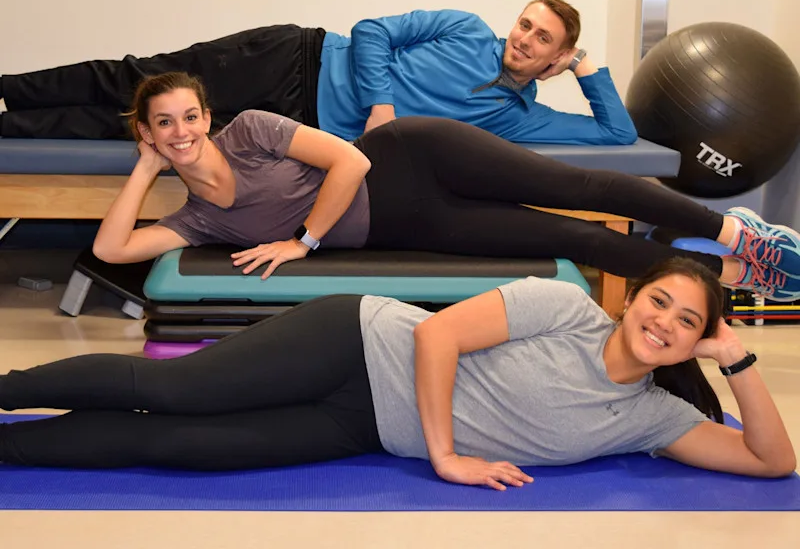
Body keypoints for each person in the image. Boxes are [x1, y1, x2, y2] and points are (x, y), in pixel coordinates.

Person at [0, 258, 795, 485]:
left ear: (700, 340)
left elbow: (773, 462)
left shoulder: (653, 417)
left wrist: (740, 359)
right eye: (659, 302)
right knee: (173, 392)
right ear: (632, 299)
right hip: (358, 341)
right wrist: (446, 456)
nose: (664, 323)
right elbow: (438, 335)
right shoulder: (564, 306)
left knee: (180, 449)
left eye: (687, 322)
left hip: (365, 426)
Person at [91, 72, 800, 302]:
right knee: (573, 240)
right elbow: (112, 249)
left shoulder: (249, 130)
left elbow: (351, 163)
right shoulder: (197, 221)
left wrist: (303, 240)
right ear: (148, 132)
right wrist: (146, 170)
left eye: (189, 117)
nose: (181, 131)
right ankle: (735, 274)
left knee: (580, 186)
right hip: (416, 225)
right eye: (164, 125)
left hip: (416, 157)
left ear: (207, 116)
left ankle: (736, 231)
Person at [0, 0, 637, 145]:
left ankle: (9, 129)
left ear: (554, 59)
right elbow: (372, 31)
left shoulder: (519, 119)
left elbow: (618, 134)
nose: (524, 39)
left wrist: (589, 66)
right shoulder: (466, 27)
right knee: (136, 79)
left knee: (149, 129)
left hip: (294, 124)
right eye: (525, 24)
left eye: (543, 40)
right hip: (291, 58)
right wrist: (382, 107)